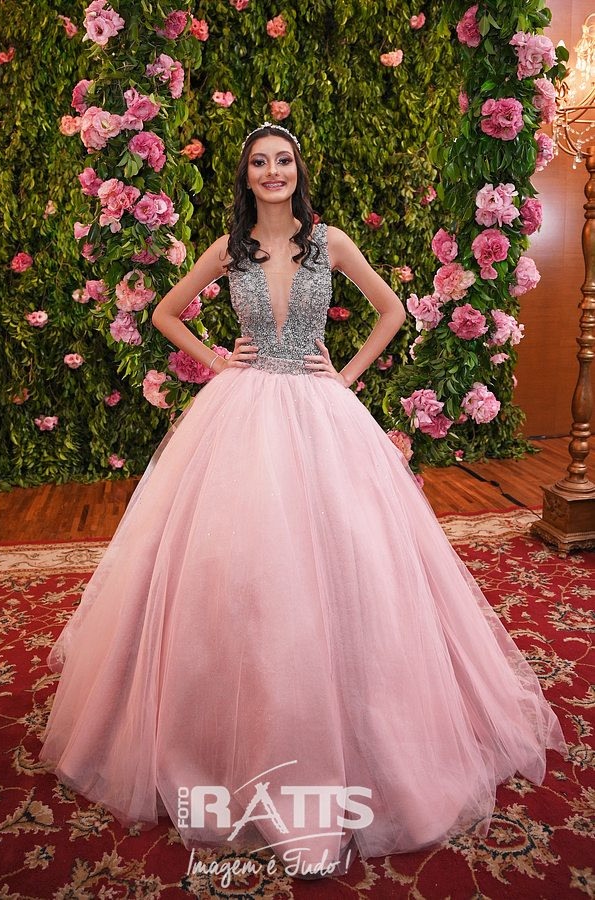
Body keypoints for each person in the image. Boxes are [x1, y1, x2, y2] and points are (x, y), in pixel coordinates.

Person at [39, 122, 567, 882]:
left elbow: (392, 310)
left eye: (282, 160)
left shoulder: (331, 242)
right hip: (242, 412)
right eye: (259, 162)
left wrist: (344, 376)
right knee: (242, 573)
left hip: (321, 413)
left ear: (298, 170)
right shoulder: (230, 249)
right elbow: (165, 312)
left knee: (348, 564)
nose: (272, 171)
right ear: (246, 176)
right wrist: (217, 358)